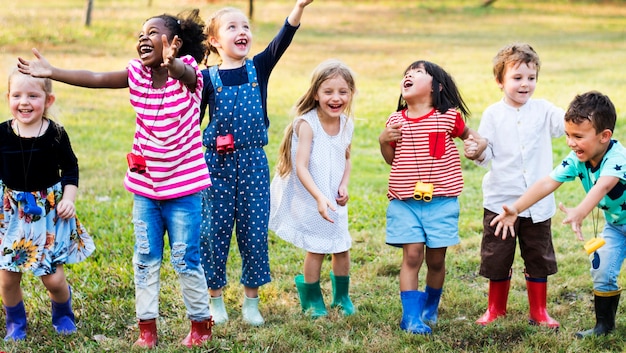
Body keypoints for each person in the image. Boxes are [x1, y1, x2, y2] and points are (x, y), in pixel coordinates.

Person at [18, 9, 214, 348]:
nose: (143, 37)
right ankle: (147, 329)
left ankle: (200, 324)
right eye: (141, 33)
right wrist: (53, 72)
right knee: (145, 258)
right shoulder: (137, 73)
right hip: (146, 191)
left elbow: (183, 72)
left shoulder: (190, 76)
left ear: (175, 42)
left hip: (184, 191)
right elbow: (95, 77)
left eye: (152, 32)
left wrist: (173, 64)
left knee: (185, 259)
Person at [199, 0, 313, 326]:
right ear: (215, 41)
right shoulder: (206, 79)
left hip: (252, 163)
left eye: (246, 26)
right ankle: (215, 300)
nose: (242, 32)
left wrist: (299, 7)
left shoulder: (258, 68)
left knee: (253, 231)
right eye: (232, 27)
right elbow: (191, 121)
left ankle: (251, 302)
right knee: (213, 231)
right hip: (215, 166)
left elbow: (283, 38)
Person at [491, 91, 624, 338]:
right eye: (567, 135)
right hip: (617, 227)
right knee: (603, 269)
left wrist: (580, 212)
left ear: (605, 136)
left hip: (616, 222)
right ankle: (603, 327)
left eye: (578, 136)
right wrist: (517, 208)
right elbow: (547, 183)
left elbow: (603, 186)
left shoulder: (617, 158)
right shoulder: (577, 158)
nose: (571, 143)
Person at [378, 60, 487, 334]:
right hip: (405, 203)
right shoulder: (395, 121)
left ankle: (430, 307)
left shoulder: (449, 117)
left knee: (436, 260)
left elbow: (472, 137)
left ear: (436, 86)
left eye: (417, 72)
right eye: (406, 73)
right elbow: (392, 159)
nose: (408, 75)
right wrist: (383, 140)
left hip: (442, 202)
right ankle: (411, 318)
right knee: (412, 256)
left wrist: (478, 146)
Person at [466, 43, 565, 328]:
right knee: (497, 257)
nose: (525, 84)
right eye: (517, 78)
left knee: (538, 257)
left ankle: (539, 311)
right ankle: (496, 309)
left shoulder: (544, 110)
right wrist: (477, 150)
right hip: (501, 202)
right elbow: (485, 155)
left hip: (537, 205)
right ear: (500, 81)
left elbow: (565, 124)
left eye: (531, 78)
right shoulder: (493, 115)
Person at [0, 69, 95, 341]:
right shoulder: (2, 134)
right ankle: (15, 322)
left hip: (48, 213)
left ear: (48, 100)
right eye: (17, 95)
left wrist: (69, 198)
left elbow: (70, 168)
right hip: (12, 214)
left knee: (53, 279)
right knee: (7, 278)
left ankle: (63, 313)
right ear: (8, 98)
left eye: (33, 95)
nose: (24, 102)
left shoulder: (55, 133)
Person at [269, 59, 356, 319]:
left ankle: (342, 297)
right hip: (310, 196)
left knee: (342, 246)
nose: (336, 98)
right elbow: (301, 167)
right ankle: (312, 297)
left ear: (351, 93)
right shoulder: (307, 124)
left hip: (334, 197)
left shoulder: (347, 124)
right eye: (328, 91)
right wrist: (319, 196)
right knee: (317, 247)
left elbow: (347, 158)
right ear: (316, 93)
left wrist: (343, 185)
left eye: (343, 91)